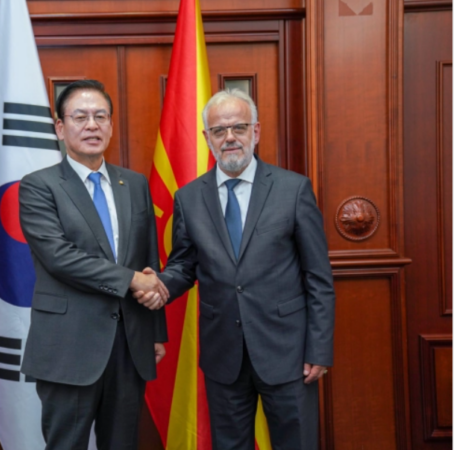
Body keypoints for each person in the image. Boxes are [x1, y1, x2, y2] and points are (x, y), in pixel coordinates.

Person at [136, 89, 335, 449]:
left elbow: (318, 279)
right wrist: (160, 285)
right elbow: (184, 265)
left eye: (238, 127)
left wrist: (318, 350)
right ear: (206, 138)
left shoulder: (293, 190)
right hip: (223, 353)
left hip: (287, 352)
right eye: (219, 130)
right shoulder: (189, 198)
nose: (229, 137)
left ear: (255, 131)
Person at [19, 80, 169, 450]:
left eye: (100, 116)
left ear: (111, 126)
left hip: (129, 344)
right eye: (80, 117)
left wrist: (154, 330)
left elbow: (148, 261)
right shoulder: (39, 186)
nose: (92, 125)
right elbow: (59, 257)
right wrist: (131, 279)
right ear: (60, 127)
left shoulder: (134, 183)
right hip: (68, 345)